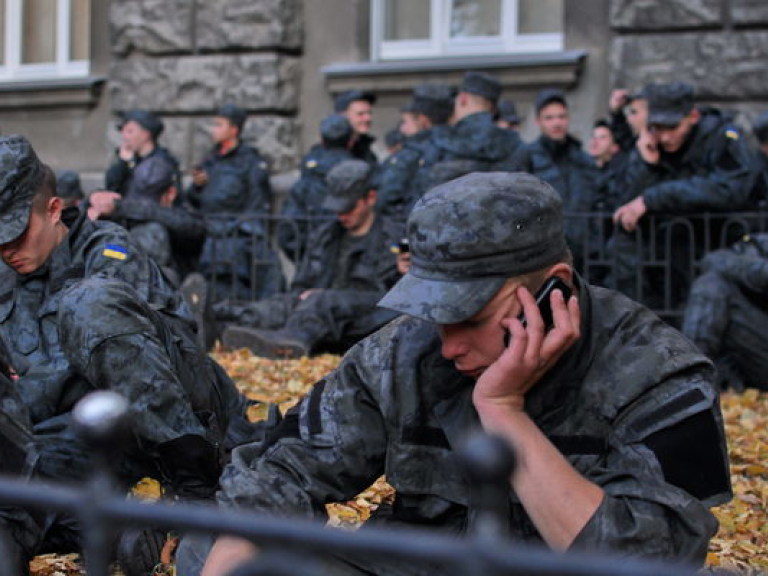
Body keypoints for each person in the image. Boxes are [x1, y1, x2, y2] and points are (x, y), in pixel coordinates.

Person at [179, 171, 731, 576]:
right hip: (419, 566)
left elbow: (648, 560)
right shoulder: (402, 352)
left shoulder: (658, 372)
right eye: (434, 313)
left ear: (553, 289)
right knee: (223, 550)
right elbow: (281, 474)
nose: (447, 344)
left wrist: (503, 412)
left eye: (469, 316)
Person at [0, 135, 260, 572]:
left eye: (14, 232)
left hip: (162, 422)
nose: (6, 249)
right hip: (69, 440)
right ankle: (119, 531)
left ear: (53, 209)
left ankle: (194, 500)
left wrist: (25, 393)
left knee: (90, 304)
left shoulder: (108, 254)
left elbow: (153, 370)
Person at [217, 159, 402, 358]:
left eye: (348, 208)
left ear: (370, 198)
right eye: (337, 209)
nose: (342, 215)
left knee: (321, 301)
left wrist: (401, 272)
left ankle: (289, 343)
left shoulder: (394, 238)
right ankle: (219, 319)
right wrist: (302, 295)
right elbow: (302, 282)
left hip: (365, 313)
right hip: (318, 310)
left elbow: (393, 300)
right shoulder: (327, 235)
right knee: (282, 305)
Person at [609, 82, 754, 307]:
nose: (665, 137)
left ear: (692, 117)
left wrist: (654, 197)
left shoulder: (722, 137)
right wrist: (647, 165)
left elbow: (731, 189)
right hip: (666, 264)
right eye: (657, 127)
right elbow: (626, 206)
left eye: (672, 127)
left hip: (716, 249)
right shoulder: (653, 145)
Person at [186, 104, 281, 301]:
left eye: (219, 125)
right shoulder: (210, 159)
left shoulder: (249, 161)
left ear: (234, 130)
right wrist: (197, 187)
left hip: (235, 239)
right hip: (207, 234)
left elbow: (257, 203)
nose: (214, 130)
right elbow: (193, 201)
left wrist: (242, 231)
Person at [511, 88, 599, 266]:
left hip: (584, 251)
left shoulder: (582, 158)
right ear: (538, 121)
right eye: (549, 118)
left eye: (561, 116)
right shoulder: (527, 156)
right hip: (543, 250)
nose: (557, 123)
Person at [88, 156, 207, 286]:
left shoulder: (181, 215)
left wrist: (122, 207)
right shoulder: (126, 213)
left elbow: (191, 226)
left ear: (171, 193)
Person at [682, 233, 768, 391]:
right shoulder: (761, 244)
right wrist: (761, 272)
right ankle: (690, 380)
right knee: (711, 285)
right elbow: (714, 260)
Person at [277, 114, 355, 263]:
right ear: (350, 141)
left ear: (322, 140)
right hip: (348, 258)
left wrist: (303, 257)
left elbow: (287, 230)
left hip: (313, 256)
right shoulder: (359, 175)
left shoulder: (308, 177)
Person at [376, 83, 455, 222]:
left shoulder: (411, 153)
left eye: (406, 122)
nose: (402, 129)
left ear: (423, 120)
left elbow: (385, 197)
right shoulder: (465, 145)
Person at [104, 109, 180, 199]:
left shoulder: (163, 161)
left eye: (130, 131)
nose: (124, 136)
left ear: (145, 134)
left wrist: (131, 166)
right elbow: (111, 188)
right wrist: (122, 164)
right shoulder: (125, 158)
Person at [334, 89, 378, 164]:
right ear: (343, 115)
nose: (368, 118)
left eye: (369, 113)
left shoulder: (364, 148)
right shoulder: (333, 150)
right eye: (360, 114)